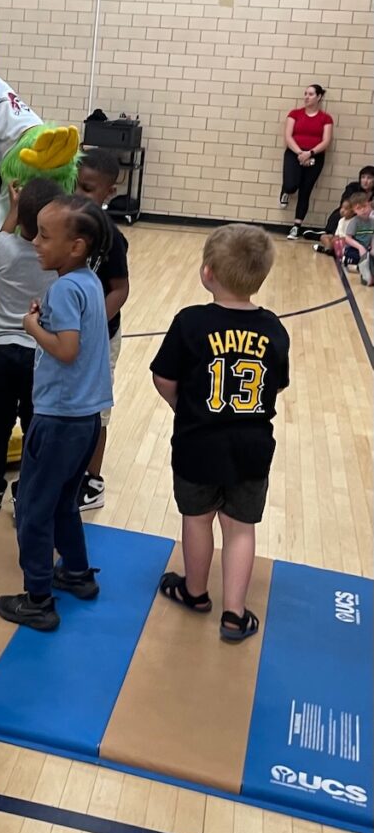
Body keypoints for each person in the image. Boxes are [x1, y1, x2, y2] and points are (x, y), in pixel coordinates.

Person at [151, 224, 290, 642]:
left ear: (207, 273)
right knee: (240, 527)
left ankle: (194, 593)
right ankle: (234, 614)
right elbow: (277, 385)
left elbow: (163, 377)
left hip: (197, 442)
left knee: (197, 520)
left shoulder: (190, 322)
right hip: (251, 447)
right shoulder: (273, 329)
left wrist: (184, 408)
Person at [0, 195, 114, 632]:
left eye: (45, 236)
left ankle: (39, 598)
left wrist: (32, 328)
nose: (35, 242)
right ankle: (78, 573)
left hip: (59, 417)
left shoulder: (63, 288)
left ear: (77, 246)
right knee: (64, 499)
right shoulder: (88, 282)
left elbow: (66, 349)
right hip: (84, 418)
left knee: (32, 506)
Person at [0, 177, 62, 512]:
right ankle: (25, 489)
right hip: (36, 351)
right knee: (32, 422)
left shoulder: (4, 249)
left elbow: (2, 236)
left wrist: (14, 207)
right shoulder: (54, 261)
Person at [73, 148, 130, 511]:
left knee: (95, 411)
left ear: (109, 192)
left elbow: (121, 290)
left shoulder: (111, 238)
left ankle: (93, 481)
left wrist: (92, 325)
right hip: (66, 336)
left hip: (100, 336)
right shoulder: (66, 225)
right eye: (78, 186)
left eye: (90, 189)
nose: (81, 195)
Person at [280, 84, 334, 240]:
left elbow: (326, 140)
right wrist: (299, 153)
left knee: (305, 190)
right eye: (305, 94)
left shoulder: (326, 118)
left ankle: (296, 226)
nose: (306, 97)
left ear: (319, 97)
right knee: (291, 185)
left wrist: (310, 153)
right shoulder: (295, 114)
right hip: (294, 153)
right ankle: (286, 191)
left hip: (314, 155)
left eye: (310, 94)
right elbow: (288, 136)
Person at [343, 191, 374, 286]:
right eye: (359, 208)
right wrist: (360, 247)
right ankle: (363, 270)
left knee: (370, 256)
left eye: (365, 206)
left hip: (367, 249)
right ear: (354, 210)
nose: (363, 210)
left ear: (369, 205)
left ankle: (366, 271)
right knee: (357, 257)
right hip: (354, 249)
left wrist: (373, 248)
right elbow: (347, 239)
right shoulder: (354, 222)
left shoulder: (372, 221)